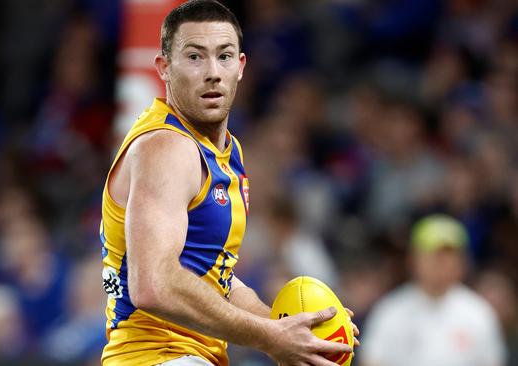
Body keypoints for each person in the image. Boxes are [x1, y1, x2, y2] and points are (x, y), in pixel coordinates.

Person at [99, 1, 355, 365]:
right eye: (194, 57)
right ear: (164, 68)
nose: (212, 72)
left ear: (241, 67)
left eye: (224, 56)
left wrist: (294, 330)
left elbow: (214, 277)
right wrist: (270, 337)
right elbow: (153, 284)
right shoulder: (166, 147)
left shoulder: (225, 151)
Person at [360, 214, 507, 366]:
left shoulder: (478, 313)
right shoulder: (390, 311)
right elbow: (371, 360)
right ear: (413, 259)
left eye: (450, 256)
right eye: (435, 256)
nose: (444, 264)